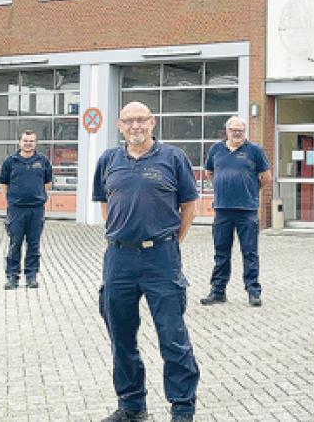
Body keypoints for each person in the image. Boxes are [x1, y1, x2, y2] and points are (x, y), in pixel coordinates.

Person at [93, 101, 199, 422]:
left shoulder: (173, 158)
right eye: (129, 121)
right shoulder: (109, 160)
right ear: (120, 125)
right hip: (119, 259)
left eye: (141, 120)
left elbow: (189, 207)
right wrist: (120, 236)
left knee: (172, 335)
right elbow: (106, 205)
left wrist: (167, 243)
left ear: (152, 123)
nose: (135, 126)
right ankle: (131, 405)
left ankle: (182, 407)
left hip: (161, 259)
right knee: (121, 336)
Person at [199, 116, 271, 307]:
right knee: (221, 253)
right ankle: (218, 291)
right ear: (227, 131)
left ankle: (253, 291)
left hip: (247, 210)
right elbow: (209, 172)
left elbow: (266, 177)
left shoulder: (254, 151)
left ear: (245, 131)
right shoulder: (216, 149)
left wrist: (251, 191)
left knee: (250, 253)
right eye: (233, 130)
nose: (237, 133)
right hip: (222, 210)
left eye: (240, 130)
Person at [0, 130, 53, 290]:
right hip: (16, 210)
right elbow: (3, 183)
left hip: (36, 210)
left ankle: (31, 277)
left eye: (31, 141)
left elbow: (47, 183)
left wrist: (40, 197)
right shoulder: (10, 161)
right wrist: (10, 201)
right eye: (25, 141)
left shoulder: (43, 161)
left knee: (34, 244)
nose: (28, 143)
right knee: (15, 243)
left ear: (35, 143)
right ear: (19, 142)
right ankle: (12, 277)